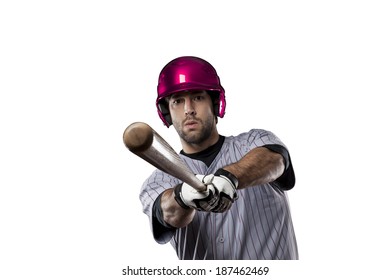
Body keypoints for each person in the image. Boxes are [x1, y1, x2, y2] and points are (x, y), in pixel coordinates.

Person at [139, 56, 298, 260]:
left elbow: (274, 161)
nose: (188, 109)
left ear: (215, 103)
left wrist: (229, 177)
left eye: (197, 97)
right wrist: (182, 196)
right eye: (177, 101)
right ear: (167, 112)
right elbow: (169, 213)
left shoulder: (255, 141)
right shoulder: (159, 180)